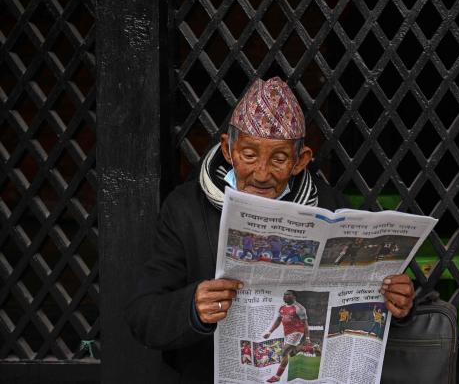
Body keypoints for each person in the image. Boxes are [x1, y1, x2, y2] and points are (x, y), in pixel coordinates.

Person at [126, 77, 416, 383]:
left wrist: (400, 303)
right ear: (227, 149)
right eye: (249, 155)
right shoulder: (185, 210)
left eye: (278, 158)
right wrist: (193, 307)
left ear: (299, 160)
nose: (261, 174)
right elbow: (142, 313)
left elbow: (373, 300)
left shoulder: (331, 208)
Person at [262, 290, 310, 382]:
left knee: (284, 352)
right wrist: (270, 332)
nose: (285, 296)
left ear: (294, 297)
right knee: (291, 354)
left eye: (288, 294)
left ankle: (277, 376)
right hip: (287, 333)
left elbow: (305, 324)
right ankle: (306, 348)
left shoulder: (299, 308)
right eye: (284, 294)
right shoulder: (282, 308)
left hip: (297, 332)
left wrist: (307, 338)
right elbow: (278, 320)